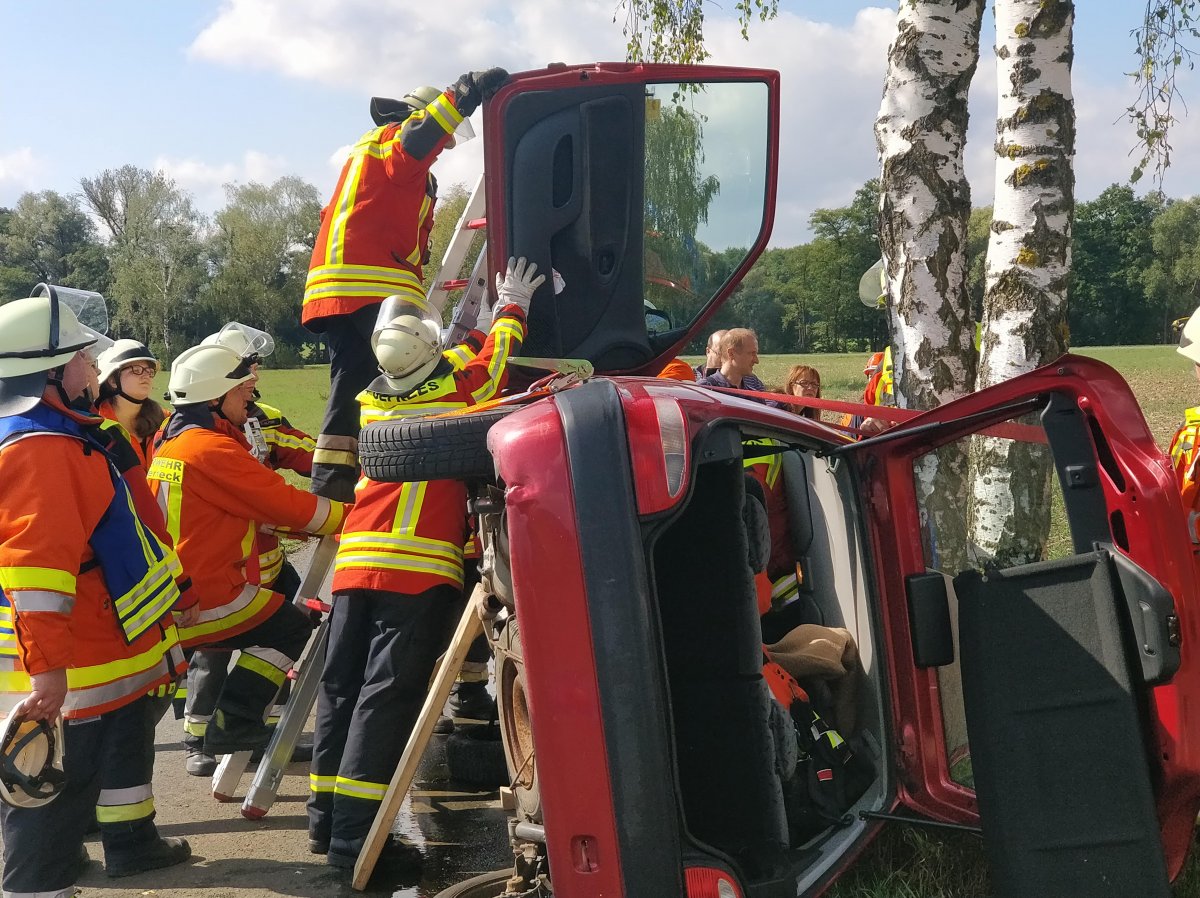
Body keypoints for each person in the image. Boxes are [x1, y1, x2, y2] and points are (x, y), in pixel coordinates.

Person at [307, 257, 539, 872]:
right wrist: (509, 309)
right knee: (385, 700)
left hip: (355, 569)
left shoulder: (372, 402)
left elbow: (452, 366)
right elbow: (488, 368)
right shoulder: (456, 393)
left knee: (341, 691)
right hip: (414, 574)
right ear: (428, 349)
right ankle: (361, 846)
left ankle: (326, 825)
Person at [0, 291, 191, 893]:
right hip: (63, 656)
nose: (94, 368)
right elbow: (37, 574)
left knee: (74, 779)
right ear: (50, 372)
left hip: (87, 642)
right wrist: (47, 671)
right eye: (83, 358)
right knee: (47, 793)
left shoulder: (59, 435)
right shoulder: (42, 450)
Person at [302, 67, 510, 502]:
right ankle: (417, 453)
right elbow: (419, 140)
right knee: (416, 372)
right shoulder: (396, 144)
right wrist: (465, 94)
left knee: (352, 379)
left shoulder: (366, 157)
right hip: (370, 284)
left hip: (338, 290)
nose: (444, 149)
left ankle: (334, 480)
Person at [149, 343, 348, 762]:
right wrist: (356, 518)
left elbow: (246, 509)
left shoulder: (172, 440)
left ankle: (217, 726)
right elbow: (287, 504)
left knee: (142, 697)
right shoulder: (210, 450)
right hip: (208, 593)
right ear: (215, 398)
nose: (251, 398)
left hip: (177, 589)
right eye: (242, 390)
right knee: (290, 627)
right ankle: (235, 722)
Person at [175, 325, 319, 775]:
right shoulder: (203, 441)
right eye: (244, 376)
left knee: (276, 636)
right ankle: (202, 737)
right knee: (217, 653)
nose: (252, 381)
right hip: (219, 572)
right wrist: (350, 517)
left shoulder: (256, 420)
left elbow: (302, 454)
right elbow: (264, 498)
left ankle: (258, 730)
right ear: (218, 389)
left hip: (262, 561)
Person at [96, 339, 166, 469]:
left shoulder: (166, 421)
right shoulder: (96, 426)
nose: (146, 376)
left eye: (150, 371)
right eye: (136, 370)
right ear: (112, 380)